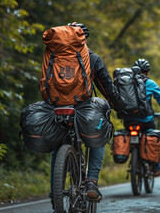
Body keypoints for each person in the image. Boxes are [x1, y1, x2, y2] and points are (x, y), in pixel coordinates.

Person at [48, 22, 126, 204]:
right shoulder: (92, 58)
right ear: (84, 38)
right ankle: (91, 182)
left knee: (57, 146)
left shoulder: (52, 55)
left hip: (57, 107)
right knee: (98, 136)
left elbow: (45, 82)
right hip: (83, 108)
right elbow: (106, 87)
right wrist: (119, 104)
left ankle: (55, 190)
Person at [123, 58, 160, 176]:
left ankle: (129, 153)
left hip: (128, 120)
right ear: (147, 72)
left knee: (126, 134)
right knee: (153, 134)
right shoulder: (150, 83)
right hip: (146, 120)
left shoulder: (127, 82)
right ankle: (155, 166)